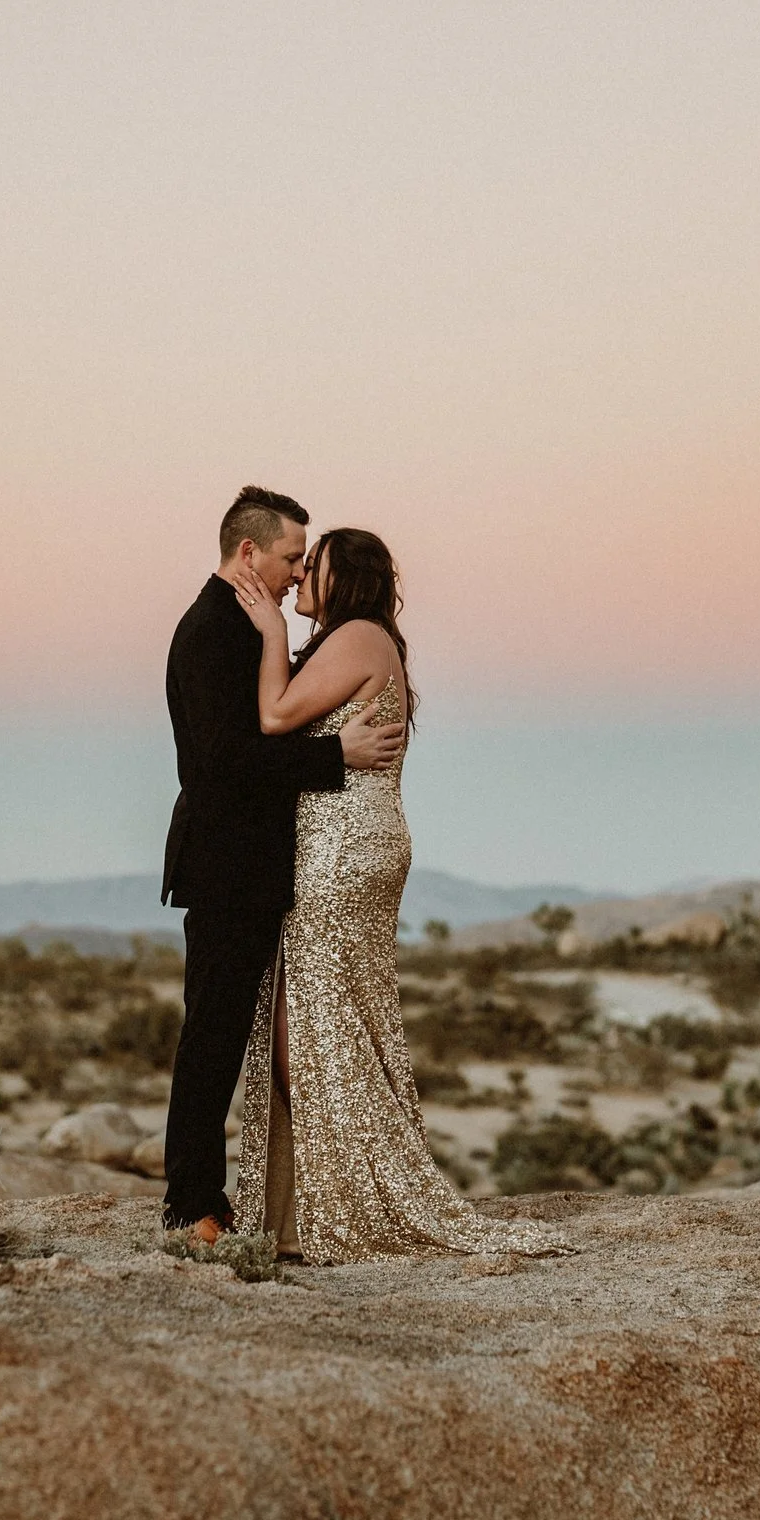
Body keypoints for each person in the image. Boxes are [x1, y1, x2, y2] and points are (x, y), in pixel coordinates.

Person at [222, 528, 571, 1262]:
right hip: (356, 842)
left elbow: (275, 717)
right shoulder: (365, 641)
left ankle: (353, 1201)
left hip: (341, 849)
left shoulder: (354, 637)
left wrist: (271, 632)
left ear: (346, 578)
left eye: (313, 565)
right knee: (334, 1021)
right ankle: (315, 1206)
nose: (301, 572)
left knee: (309, 1029)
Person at [160, 487, 404, 1242]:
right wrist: (337, 753)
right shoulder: (211, 634)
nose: (298, 573)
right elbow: (224, 763)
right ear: (249, 554)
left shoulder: (249, 629)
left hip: (262, 869)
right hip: (229, 867)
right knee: (214, 1033)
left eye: (307, 561)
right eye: (292, 557)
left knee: (241, 1032)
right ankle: (192, 1203)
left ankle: (263, 1200)